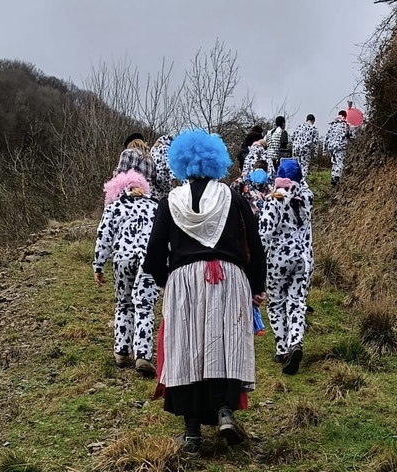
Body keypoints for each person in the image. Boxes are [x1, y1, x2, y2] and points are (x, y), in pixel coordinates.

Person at [143, 128, 267, 455]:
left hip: (183, 280)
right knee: (224, 343)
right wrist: (256, 286)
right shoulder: (234, 199)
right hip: (229, 277)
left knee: (187, 349)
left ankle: (192, 435)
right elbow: (255, 245)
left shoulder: (170, 202)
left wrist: (168, 280)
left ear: (181, 163)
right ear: (216, 161)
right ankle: (225, 411)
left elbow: (153, 255)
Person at [93, 170, 160, 375]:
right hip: (148, 261)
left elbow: (104, 236)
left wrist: (99, 265)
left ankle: (121, 351)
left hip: (122, 259)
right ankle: (142, 355)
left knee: (124, 304)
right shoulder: (155, 207)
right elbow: (163, 236)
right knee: (145, 306)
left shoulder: (114, 207)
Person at [258, 159, 313, 375]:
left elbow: (264, 234)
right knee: (297, 302)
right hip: (303, 258)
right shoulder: (306, 198)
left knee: (276, 303)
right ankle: (295, 342)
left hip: (278, 259)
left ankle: (282, 348)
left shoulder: (274, 200)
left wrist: (257, 263)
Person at [324, 111, 352, 186]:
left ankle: (333, 177)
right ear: (345, 116)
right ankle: (337, 177)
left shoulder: (332, 124)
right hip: (340, 146)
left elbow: (326, 137)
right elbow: (350, 135)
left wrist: (325, 149)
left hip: (331, 146)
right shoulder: (346, 124)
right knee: (339, 162)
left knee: (334, 162)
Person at [290, 114, 321, 179]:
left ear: (306, 119)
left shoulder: (299, 127)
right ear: (313, 121)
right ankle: (303, 181)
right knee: (304, 166)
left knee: (296, 165)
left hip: (295, 148)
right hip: (305, 148)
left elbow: (292, 137)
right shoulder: (314, 129)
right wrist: (315, 154)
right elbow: (316, 143)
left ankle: (295, 181)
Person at [149, 133, 176, 201]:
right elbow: (169, 164)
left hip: (154, 177)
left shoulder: (152, 150)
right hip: (165, 177)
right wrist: (174, 178)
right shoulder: (166, 148)